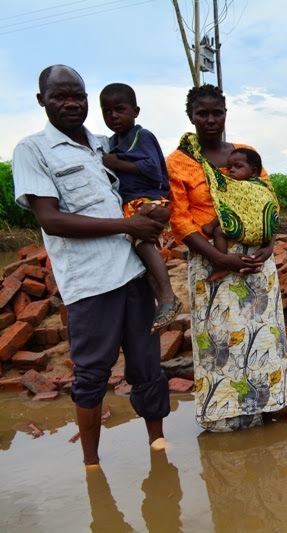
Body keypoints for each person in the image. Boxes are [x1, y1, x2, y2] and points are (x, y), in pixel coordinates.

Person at [12, 65, 170, 465]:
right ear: (41, 101)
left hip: (132, 275)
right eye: (60, 96)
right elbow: (51, 219)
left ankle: (158, 447)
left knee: (148, 365)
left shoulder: (104, 144)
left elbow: (138, 188)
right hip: (90, 284)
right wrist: (128, 223)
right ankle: (91, 464)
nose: (71, 103)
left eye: (78, 96)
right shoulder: (32, 150)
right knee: (92, 376)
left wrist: (151, 211)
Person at [167, 84, 287, 432]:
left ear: (226, 113)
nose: (210, 120)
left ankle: (266, 406)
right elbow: (180, 219)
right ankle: (224, 416)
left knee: (262, 336)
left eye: (217, 112)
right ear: (190, 116)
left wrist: (268, 247)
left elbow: (267, 199)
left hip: (256, 259)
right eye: (202, 114)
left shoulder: (246, 153)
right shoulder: (179, 163)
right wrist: (220, 260)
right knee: (219, 339)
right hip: (211, 257)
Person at [99, 82, 182, 332]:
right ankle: (164, 303)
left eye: (120, 109)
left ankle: (168, 296)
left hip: (149, 199)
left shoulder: (141, 136)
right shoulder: (113, 141)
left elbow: (152, 168)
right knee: (140, 255)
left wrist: (116, 163)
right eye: (107, 111)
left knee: (143, 244)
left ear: (135, 111)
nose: (113, 116)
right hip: (131, 205)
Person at [201, 147, 263, 282]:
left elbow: (228, 208)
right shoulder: (262, 186)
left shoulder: (241, 187)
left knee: (219, 231)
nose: (231, 170)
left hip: (249, 227)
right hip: (261, 234)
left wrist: (210, 225)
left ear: (253, 172)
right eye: (229, 168)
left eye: (238, 166)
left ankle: (222, 266)